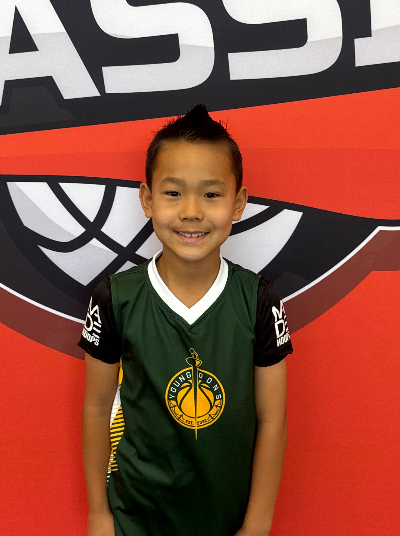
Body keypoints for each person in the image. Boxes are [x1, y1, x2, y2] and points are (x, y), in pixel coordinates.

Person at [79, 104, 293, 536]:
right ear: (147, 199)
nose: (191, 211)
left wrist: (257, 524)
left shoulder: (258, 300)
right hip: (135, 517)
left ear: (238, 203)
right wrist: (99, 513)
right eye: (173, 193)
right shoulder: (116, 298)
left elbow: (273, 420)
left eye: (211, 195)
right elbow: (97, 406)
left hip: (226, 520)